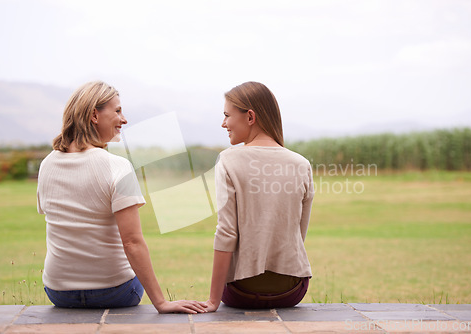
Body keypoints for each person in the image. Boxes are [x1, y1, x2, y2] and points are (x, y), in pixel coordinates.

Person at [37, 81, 206, 313]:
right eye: (117, 111)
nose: (124, 119)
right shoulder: (117, 166)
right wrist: (161, 303)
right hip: (114, 291)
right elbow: (132, 242)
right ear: (94, 115)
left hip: (59, 292)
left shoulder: (47, 164)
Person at [203, 81, 314, 311]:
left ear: (250, 117)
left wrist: (213, 301)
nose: (223, 124)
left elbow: (226, 232)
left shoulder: (228, 160)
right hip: (293, 289)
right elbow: (298, 235)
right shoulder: (301, 164)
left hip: (242, 291)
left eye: (227, 115)